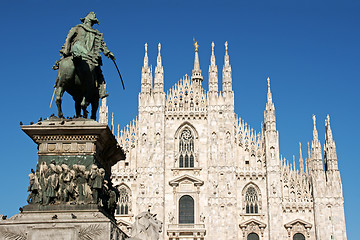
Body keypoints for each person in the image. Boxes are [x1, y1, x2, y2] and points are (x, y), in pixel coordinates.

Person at [58, 12, 115, 99]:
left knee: (63, 64)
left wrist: (66, 50)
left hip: (75, 51)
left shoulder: (77, 28)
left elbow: (68, 38)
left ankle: (59, 84)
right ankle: (101, 91)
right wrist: (108, 53)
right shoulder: (95, 33)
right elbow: (102, 46)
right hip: (87, 55)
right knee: (98, 73)